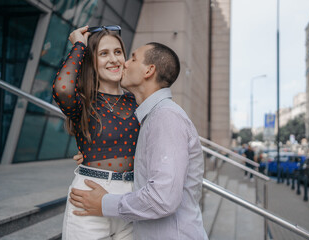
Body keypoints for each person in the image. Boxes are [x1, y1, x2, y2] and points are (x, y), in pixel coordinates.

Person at [70, 42, 208, 239]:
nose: (124, 63)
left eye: (133, 58)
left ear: (149, 70)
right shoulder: (152, 117)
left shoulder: (165, 118)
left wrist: (105, 203)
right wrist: (96, 156)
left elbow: (163, 198)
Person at [52, 25, 140, 240]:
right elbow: (62, 88)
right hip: (90, 194)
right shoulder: (83, 102)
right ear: (91, 61)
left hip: (132, 198)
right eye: (103, 53)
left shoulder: (137, 100)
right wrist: (79, 46)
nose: (113, 59)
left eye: (118, 52)